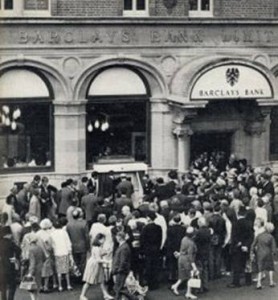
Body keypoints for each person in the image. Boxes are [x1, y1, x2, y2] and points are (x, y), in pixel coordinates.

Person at [80, 233, 113, 300]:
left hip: (97, 265)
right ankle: (82, 295)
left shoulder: (97, 247)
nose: (104, 241)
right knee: (89, 281)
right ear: (99, 240)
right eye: (103, 239)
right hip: (94, 265)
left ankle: (105, 295)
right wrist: (108, 261)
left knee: (101, 280)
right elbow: (98, 260)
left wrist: (107, 252)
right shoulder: (97, 248)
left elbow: (99, 254)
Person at [171, 226, 199, 300]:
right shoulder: (191, 244)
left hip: (181, 259)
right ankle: (188, 293)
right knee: (190, 277)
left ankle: (175, 286)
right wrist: (194, 267)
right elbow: (190, 256)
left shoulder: (184, 239)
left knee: (182, 275)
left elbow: (183, 250)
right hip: (186, 261)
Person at [140, 211, 162, 290]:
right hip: (156, 249)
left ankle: (149, 283)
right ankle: (155, 283)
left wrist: (142, 251)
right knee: (155, 266)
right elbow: (160, 239)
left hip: (148, 249)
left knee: (148, 266)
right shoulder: (159, 227)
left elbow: (142, 240)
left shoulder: (145, 228)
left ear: (149, 218)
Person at [50, 220, 73, 292]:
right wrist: (70, 252)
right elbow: (68, 243)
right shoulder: (64, 232)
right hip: (65, 252)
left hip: (57, 253)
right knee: (66, 270)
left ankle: (60, 286)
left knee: (59, 270)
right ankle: (68, 285)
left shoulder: (52, 234)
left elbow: (52, 245)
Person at [252, 222, 276, 289]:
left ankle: (258, 283)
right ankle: (271, 282)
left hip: (259, 253)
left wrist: (252, 252)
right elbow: (273, 247)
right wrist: (274, 253)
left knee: (260, 269)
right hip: (268, 253)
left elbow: (253, 244)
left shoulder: (259, 235)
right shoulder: (271, 237)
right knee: (270, 268)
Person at [66, 209, 90, 276]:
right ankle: (82, 276)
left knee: (75, 262)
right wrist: (88, 246)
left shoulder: (69, 224)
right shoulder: (84, 223)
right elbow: (87, 236)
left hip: (73, 246)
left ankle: (76, 275)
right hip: (82, 246)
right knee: (82, 262)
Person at [0, 226, 21, 300]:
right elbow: (18, 250)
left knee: (3, 288)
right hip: (10, 267)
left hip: (1, 267)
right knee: (12, 286)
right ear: (8, 234)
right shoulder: (11, 243)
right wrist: (16, 258)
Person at [112, 231, 131, 300]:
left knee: (118, 288)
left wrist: (118, 270)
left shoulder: (124, 248)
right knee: (119, 288)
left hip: (121, 271)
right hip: (120, 270)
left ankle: (134, 298)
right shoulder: (123, 246)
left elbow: (123, 261)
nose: (116, 238)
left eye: (117, 236)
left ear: (120, 237)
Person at [26, 234, 46, 300]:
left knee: (31, 288)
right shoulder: (39, 248)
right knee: (37, 286)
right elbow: (44, 258)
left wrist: (30, 273)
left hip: (33, 270)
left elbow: (32, 262)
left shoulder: (30, 250)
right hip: (40, 268)